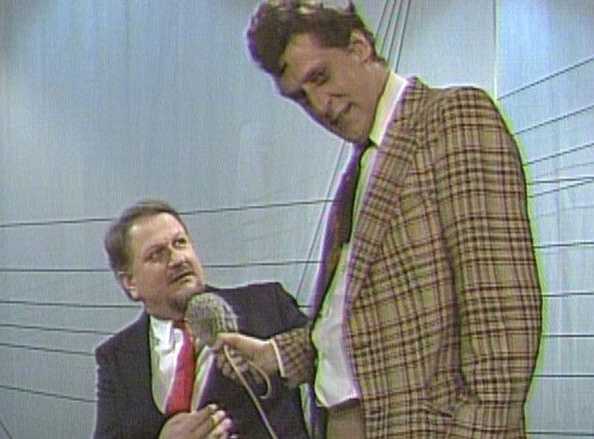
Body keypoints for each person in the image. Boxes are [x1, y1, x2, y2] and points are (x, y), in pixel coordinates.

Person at [217, 2, 543, 438]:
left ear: (360, 47)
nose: (320, 106)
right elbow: (370, 322)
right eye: (301, 97)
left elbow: (503, 320)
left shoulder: (452, 119)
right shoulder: (364, 166)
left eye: (321, 77)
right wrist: (276, 355)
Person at [94, 200, 310, 439]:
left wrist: (275, 356)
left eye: (180, 243)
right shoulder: (116, 358)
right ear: (130, 283)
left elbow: (333, 352)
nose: (178, 259)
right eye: (157, 254)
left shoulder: (266, 304)